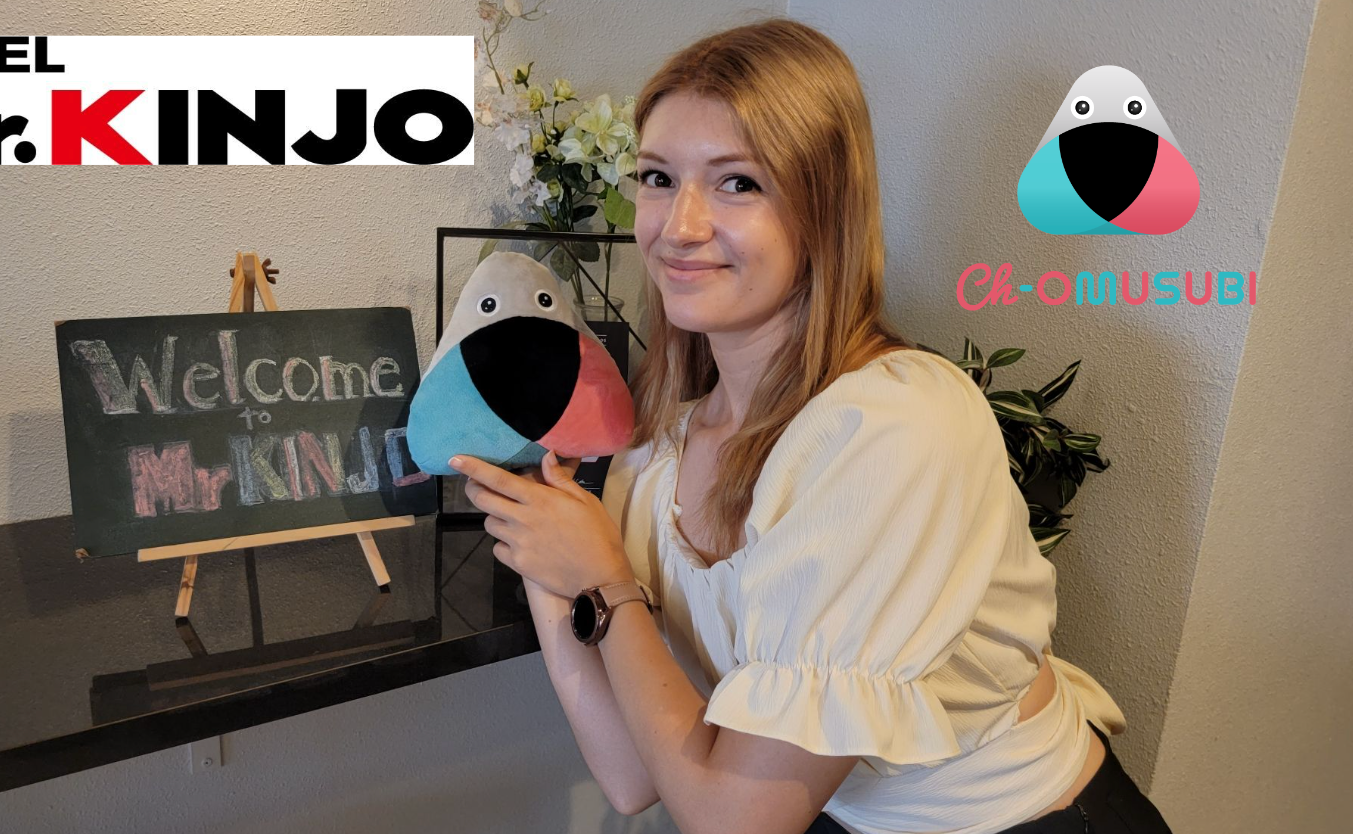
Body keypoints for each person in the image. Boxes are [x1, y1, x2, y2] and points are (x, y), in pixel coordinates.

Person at [447, 17, 1173, 834]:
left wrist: (606, 581)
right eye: (657, 177)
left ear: (823, 209)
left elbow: (736, 821)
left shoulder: (898, 426)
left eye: (737, 183)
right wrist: (544, 542)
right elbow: (629, 773)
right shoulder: (655, 453)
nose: (678, 226)